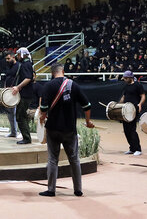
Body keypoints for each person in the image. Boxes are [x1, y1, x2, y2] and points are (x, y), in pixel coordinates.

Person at [38, 63, 93, 197]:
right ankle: (78, 189)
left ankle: (51, 190)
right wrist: (88, 121)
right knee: (74, 159)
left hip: (53, 128)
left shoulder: (48, 86)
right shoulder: (73, 85)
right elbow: (87, 105)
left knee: (52, 159)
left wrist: (42, 118)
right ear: (63, 71)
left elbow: (43, 108)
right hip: (69, 129)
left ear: (52, 73)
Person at [119, 70, 145, 156]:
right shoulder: (126, 86)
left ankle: (138, 149)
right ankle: (132, 148)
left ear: (130, 77)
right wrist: (118, 106)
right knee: (126, 130)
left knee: (132, 130)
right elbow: (123, 97)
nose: (124, 79)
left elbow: (143, 96)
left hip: (133, 110)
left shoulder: (138, 85)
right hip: (125, 110)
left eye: (126, 78)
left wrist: (140, 104)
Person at [12, 47, 35, 144]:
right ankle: (26, 136)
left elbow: (28, 78)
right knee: (22, 116)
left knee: (20, 117)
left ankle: (26, 138)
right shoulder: (28, 64)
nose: (17, 56)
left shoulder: (26, 64)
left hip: (25, 95)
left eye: (18, 54)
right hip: (26, 94)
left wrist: (18, 87)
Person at [2, 51, 20, 139]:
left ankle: (18, 131)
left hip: (16, 92)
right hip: (8, 92)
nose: (7, 60)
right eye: (6, 59)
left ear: (13, 57)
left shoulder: (19, 66)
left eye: (8, 58)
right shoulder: (9, 67)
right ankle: (13, 132)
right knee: (10, 113)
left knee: (16, 113)